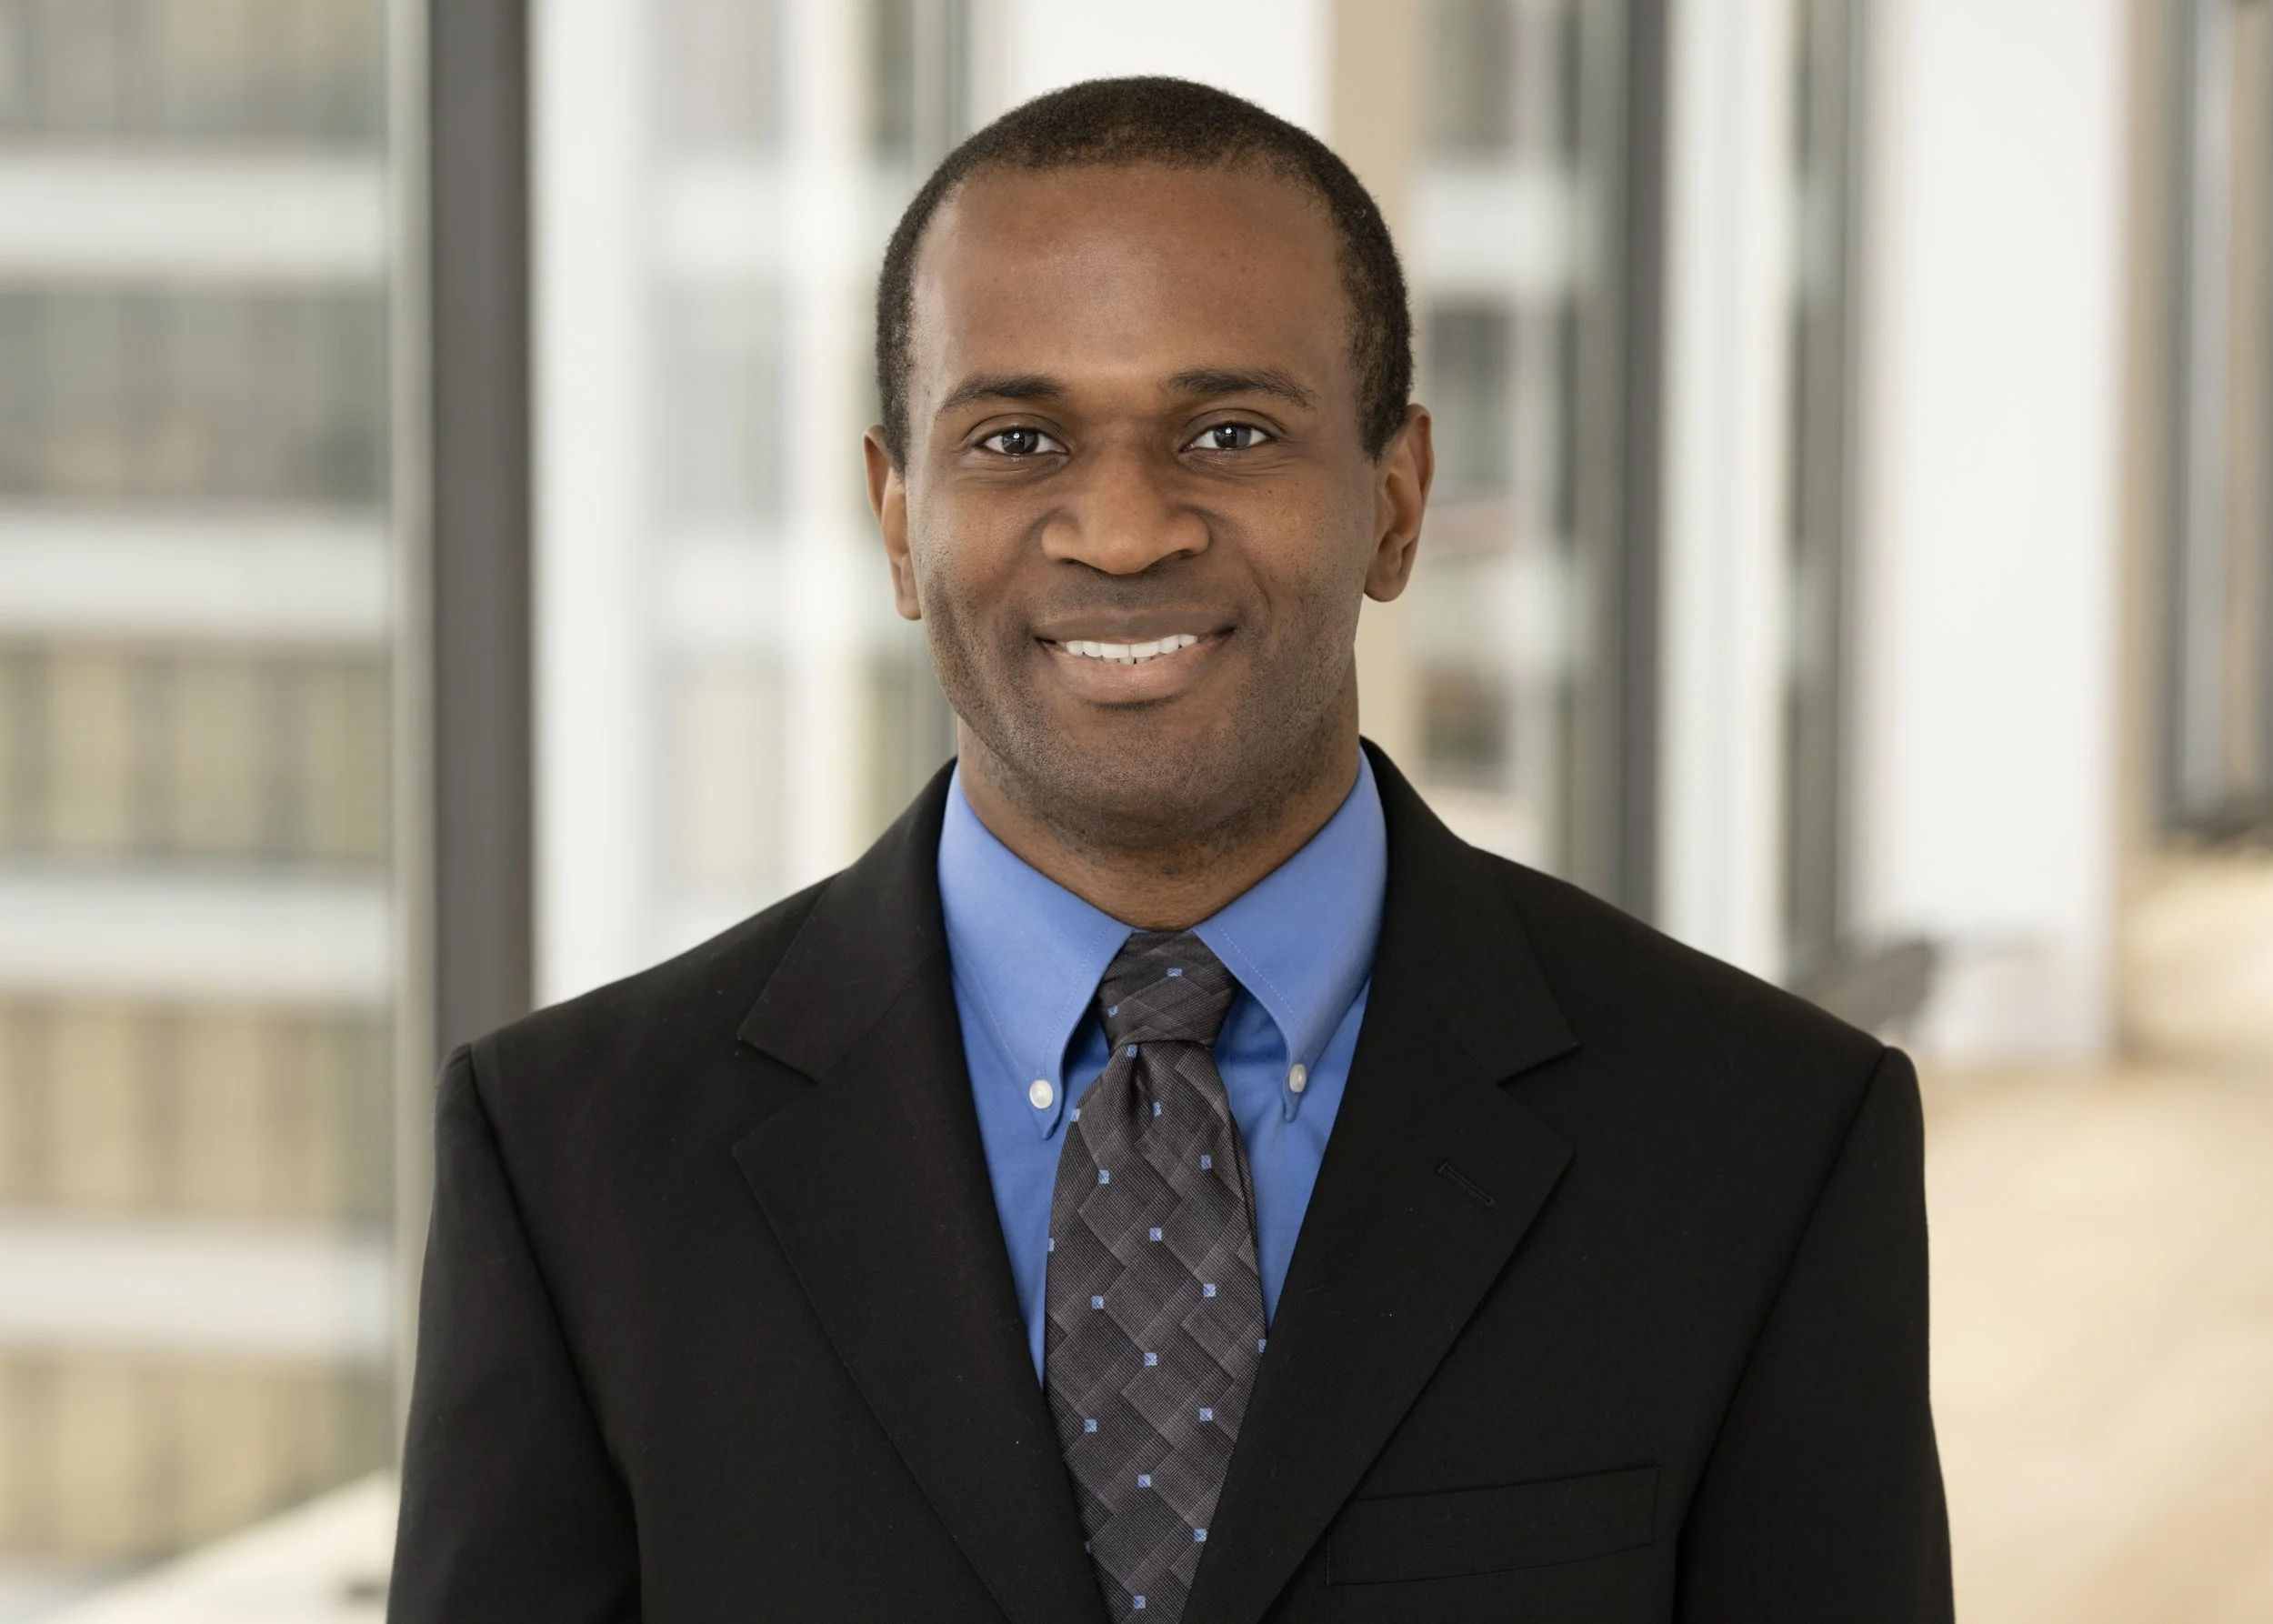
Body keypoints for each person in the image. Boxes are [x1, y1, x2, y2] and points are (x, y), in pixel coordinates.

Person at [389, 76, 1951, 1624]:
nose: (1126, 529)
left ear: (1396, 502)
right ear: (897, 519)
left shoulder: (1768, 1142)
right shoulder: (569, 1164)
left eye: (1228, 430)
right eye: (1017, 437)